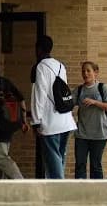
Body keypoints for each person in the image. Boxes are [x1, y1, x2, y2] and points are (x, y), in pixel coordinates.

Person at [30, 35, 77, 179]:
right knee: (59, 158)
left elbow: (40, 94)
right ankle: (56, 188)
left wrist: (36, 120)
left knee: (53, 161)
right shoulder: (61, 66)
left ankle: (60, 190)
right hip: (66, 120)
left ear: (38, 49)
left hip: (50, 123)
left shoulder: (41, 67)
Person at [72, 61, 107, 179]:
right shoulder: (79, 90)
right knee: (80, 165)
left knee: (95, 165)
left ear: (95, 73)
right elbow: (68, 105)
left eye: (88, 71)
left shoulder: (103, 88)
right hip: (82, 134)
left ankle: (97, 193)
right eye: (83, 71)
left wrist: (95, 102)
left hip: (99, 134)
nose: (85, 73)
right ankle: (80, 193)